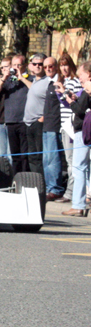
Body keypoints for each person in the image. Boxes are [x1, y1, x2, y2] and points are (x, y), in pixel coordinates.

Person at [0, 54, 33, 174]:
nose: (16, 67)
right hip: (10, 120)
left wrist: (22, 78)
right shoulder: (9, 80)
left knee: (24, 154)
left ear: (24, 66)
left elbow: (34, 89)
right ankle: (15, 178)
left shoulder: (29, 78)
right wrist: (4, 78)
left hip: (24, 121)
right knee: (14, 155)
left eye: (19, 65)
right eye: (14, 65)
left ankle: (25, 178)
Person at [63, 61, 91, 217]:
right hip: (84, 130)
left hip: (84, 131)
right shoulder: (85, 90)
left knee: (79, 167)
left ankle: (78, 205)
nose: (79, 78)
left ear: (88, 74)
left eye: (81, 74)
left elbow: (80, 110)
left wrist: (72, 102)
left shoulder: (88, 88)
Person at [55, 53, 82, 203]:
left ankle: (70, 193)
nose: (64, 68)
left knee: (72, 161)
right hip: (64, 124)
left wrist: (63, 90)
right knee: (68, 159)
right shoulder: (62, 81)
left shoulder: (74, 81)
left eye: (66, 65)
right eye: (62, 65)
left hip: (71, 124)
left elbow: (72, 102)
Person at [42, 57, 65, 201]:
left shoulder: (59, 82)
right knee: (46, 159)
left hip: (55, 125)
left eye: (50, 66)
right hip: (46, 124)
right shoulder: (48, 82)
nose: (48, 69)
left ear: (56, 67)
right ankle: (49, 187)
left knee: (53, 159)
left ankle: (55, 188)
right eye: (45, 67)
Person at [21, 53, 48, 175]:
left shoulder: (48, 81)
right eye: (34, 64)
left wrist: (42, 119)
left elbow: (52, 102)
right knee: (31, 156)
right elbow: (33, 89)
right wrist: (21, 78)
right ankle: (35, 183)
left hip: (39, 123)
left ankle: (42, 184)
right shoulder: (35, 81)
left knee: (38, 157)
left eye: (40, 64)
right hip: (29, 123)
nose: (37, 66)